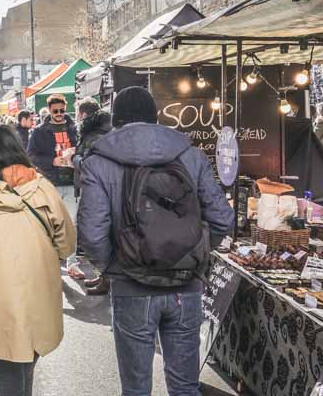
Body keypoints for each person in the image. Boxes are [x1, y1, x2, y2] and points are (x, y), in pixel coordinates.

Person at [77, 86, 234, 396]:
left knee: (136, 389)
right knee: (185, 387)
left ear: (116, 120)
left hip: (131, 285)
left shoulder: (98, 161)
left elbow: (92, 231)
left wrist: (114, 266)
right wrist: (192, 250)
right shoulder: (190, 153)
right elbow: (222, 218)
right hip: (185, 285)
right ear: (156, 115)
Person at [0, 125, 76, 396]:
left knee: (7, 383)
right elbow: (67, 245)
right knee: (25, 373)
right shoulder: (43, 189)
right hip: (39, 298)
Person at [27, 94, 81, 278]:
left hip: (72, 182)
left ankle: (72, 264)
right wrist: (52, 161)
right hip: (51, 182)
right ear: (49, 110)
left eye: (62, 111)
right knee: (52, 224)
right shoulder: (40, 131)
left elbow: (83, 148)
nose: (59, 114)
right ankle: (52, 263)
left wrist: (76, 156)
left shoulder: (74, 128)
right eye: (55, 111)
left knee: (71, 224)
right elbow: (31, 156)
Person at [71, 97, 113, 296]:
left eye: (79, 113)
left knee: (99, 233)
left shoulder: (94, 134)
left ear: (84, 114)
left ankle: (107, 278)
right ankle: (104, 276)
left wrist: (75, 158)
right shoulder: (102, 131)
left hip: (97, 189)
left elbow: (90, 164)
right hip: (101, 188)